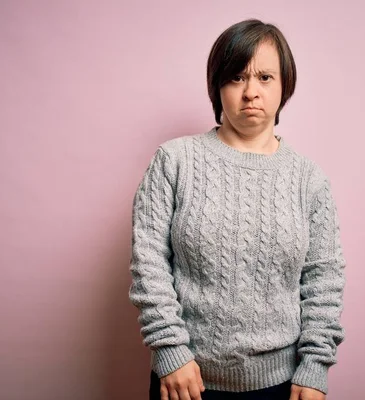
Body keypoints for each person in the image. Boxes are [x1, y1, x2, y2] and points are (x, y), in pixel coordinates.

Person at [129, 19, 346, 400]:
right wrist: (170, 350)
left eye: (265, 77)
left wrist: (315, 367)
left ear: (284, 87)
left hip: (282, 385)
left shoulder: (309, 180)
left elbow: (323, 279)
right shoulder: (174, 161)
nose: (250, 92)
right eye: (236, 78)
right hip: (186, 381)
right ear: (217, 86)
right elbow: (149, 262)